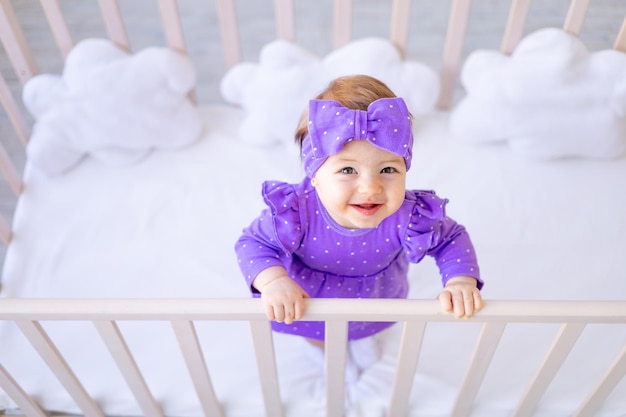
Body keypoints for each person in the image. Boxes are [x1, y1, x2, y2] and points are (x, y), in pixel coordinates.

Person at [235, 74, 483, 369]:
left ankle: (362, 339)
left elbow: (451, 239)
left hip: (377, 298)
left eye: (388, 169)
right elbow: (252, 243)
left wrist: (459, 280)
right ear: (314, 174)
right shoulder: (296, 211)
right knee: (320, 335)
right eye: (348, 170)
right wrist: (274, 282)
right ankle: (322, 348)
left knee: (370, 327)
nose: (370, 188)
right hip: (309, 301)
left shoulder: (408, 214)